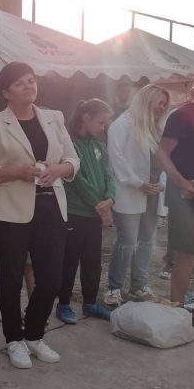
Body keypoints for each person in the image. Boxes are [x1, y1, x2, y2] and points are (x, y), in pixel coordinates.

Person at [0, 62, 79, 369]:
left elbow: (73, 159)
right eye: (19, 83)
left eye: (31, 80)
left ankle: (34, 334)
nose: (28, 86)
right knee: (11, 278)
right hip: (9, 211)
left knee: (52, 278)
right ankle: (14, 339)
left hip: (51, 207)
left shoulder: (54, 118)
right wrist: (14, 172)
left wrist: (60, 169)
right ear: (6, 92)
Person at [103, 84, 169, 306]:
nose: (161, 107)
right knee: (127, 241)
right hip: (129, 191)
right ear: (146, 99)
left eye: (164, 104)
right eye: (159, 102)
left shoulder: (157, 128)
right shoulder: (123, 124)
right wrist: (138, 183)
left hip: (153, 193)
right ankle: (114, 288)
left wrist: (161, 184)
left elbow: (164, 160)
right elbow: (116, 158)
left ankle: (139, 285)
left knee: (147, 241)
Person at [156, 76, 194, 330]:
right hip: (186, 195)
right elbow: (162, 153)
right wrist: (180, 182)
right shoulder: (181, 115)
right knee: (187, 254)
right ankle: (176, 312)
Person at [55, 99, 115, 324]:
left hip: (94, 214)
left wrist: (110, 198)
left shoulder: (100, 146)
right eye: (101, 122)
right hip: (75, 213)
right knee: (69, 261)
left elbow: (109, 174)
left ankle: (90, 302)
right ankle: (63, 303)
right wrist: (100, 205)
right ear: (86, 118)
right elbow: (78, 180)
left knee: (93, 261)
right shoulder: (70, 145)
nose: (103, 128)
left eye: (105, 124)